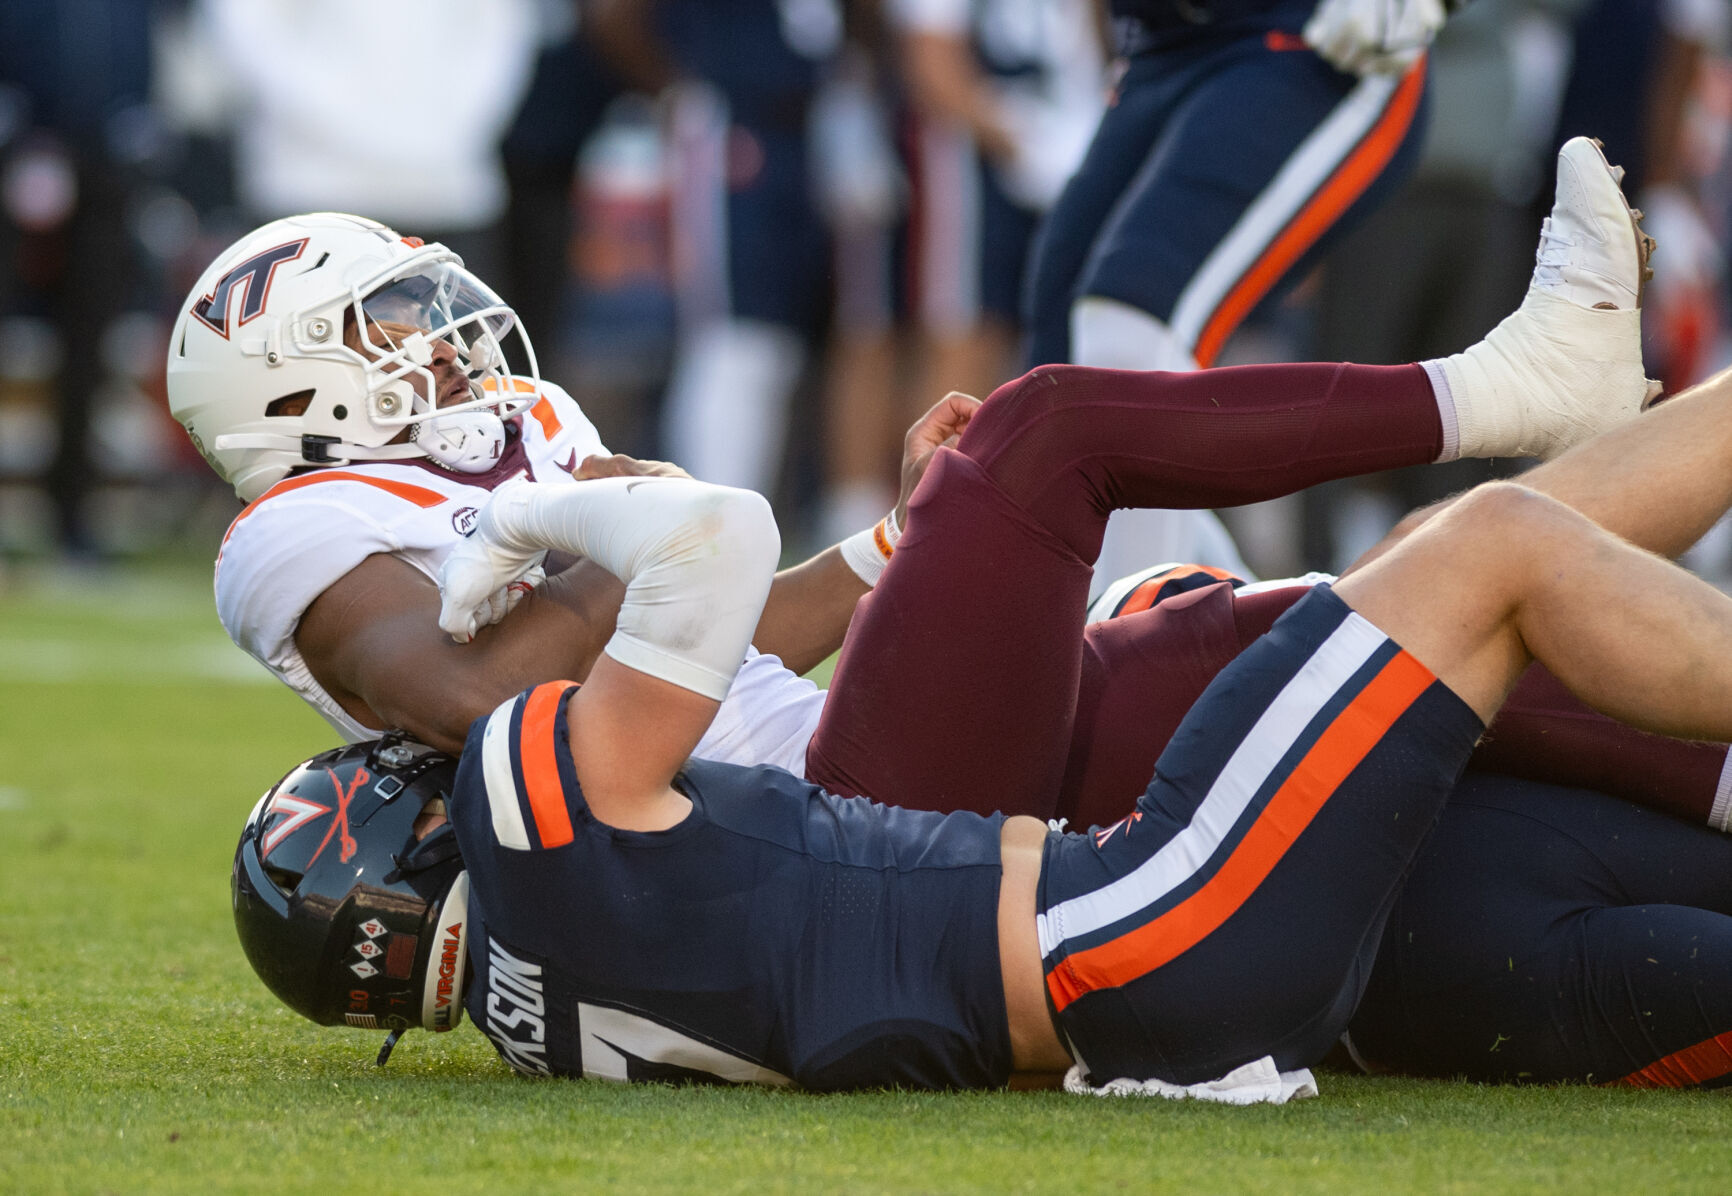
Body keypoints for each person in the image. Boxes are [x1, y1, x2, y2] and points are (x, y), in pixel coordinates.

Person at [232, 138, 1732, 1092]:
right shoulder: (300, 547)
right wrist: (542, 517)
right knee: (1059, 441)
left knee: (1324, 612)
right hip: (965, 850)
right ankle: (1504, 388)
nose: (432, 338)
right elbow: (580, 637)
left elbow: (733, 621)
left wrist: (899, 543)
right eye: (380, 326)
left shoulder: (571, 933)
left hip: (978, 861)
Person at [1021, 0, 1456, 586]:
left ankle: (1135, 655)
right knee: (1055, 378)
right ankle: (1238, 642)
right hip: (1162, 41)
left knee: (1133, 318)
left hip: (1306, 34)